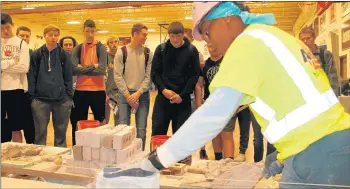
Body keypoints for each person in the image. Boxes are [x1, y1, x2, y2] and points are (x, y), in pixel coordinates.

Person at [125, 2, 350, 188]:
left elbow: (212, 116)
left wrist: (156, 161)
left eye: (207, 32)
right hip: (327, 146)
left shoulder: (247, 44)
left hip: (318, 156)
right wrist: (284, 155)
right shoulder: (269, 36)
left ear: (227, 19)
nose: (207, 41)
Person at [151, 21, 200, 137]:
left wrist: (182, 95)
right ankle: (156, 156)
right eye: (172, 36)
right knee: (157, 135)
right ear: (169, 35)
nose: (175, 40)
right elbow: (154, 73)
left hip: (182, 101)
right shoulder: (161, 49)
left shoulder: (192, 51)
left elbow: (194, 76)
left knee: (181, 138)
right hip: (163, 100)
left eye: (178, 36)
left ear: (183, 34)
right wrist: (163, 90)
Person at [28, 24, 73, 147]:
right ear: (44, 36)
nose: (53, 38)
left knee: (61, 135)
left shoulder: (65, 55)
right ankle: (39, 162)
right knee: (40, 135)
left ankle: (61, 158)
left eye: (56, 35)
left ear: (59, 37)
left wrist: (68, 97)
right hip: (40, 101)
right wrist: (32, 98)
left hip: (61, 101)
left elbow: (68, 77)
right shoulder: (36, 55)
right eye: (50, 35)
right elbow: (32, 76)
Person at [114, 24, 153, 150]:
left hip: (142, 95)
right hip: (124, 95)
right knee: (124, 129)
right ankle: (124, 156)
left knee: (141, 130)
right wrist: (127, 95)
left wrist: (137, 94)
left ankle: (140, 156)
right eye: (144, 34)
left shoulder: (148, 53)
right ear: (135, 34)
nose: (146, 37)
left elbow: (149, 77)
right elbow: (118, 76)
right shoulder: (121, 52)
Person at [71, 20, 107, 145]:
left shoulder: (101, 47)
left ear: (95, 31)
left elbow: (102, 70)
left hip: (98, 90)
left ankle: (99, 147)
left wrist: (83, 68)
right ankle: (78, 147)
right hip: (80, 91)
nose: (90, 34)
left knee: (100, 122)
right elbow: (73, 70)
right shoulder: (78, 48)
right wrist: (93, 66)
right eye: (87, 31)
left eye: (92, 31)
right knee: (79, 122)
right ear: (83, 31)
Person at [1, 13, 30, 143]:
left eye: (7, 27)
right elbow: (18, 65)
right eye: (1, 28)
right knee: (2, 128)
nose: (5, 31)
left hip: (16, 89)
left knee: (16, 128)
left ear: (12, 25)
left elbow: (24, 68)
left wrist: (2, 66)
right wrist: (13, 62)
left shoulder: (21, 44)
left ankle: (18, 156)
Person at [202, 49, 235, 160]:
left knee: (227, 134)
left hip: (226, 104)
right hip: (211, 104)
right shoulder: (206, 64)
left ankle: (229, 163)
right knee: (215, 133)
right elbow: (201, 84)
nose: (212, 48)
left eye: (214, 46)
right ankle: (218, 160)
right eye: (209, 46)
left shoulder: (227, 61)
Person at [183, 28, 208, 160]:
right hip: (182, 96)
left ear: (192, 39)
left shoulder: (198, 55)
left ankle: (203, 149)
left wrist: (199, 101)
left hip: (195, 96)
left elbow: (199, 81)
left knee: (199, 125)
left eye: (187, 39)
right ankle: (186, 153)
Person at [299, 26, 339, 96]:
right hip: (306, 95)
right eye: (302, 39)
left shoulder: (325, 54)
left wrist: (334, 99)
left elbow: (333, 78)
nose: (305, 41)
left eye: (308, 38)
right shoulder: (300, 56)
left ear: (314, 38)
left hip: (323, 95)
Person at [16, 25, 35, 144]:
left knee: (30, 124)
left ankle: (31, 148)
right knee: (14, 125)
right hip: (14, 91)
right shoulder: (9, 52)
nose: (24, 38)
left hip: (30, 93)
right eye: (21, 35)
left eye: (27, 36)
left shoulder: (33, 54)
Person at [58, 36, 78, 144]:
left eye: (70, 44)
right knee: (61, 126)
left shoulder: (79, 60)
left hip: (77, 96)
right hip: (63, 98)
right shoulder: (57, 59)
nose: (68, 47)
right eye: (66, 45)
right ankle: (61, 148)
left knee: (76, 124)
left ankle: (76, 148)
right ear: (61, 46)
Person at [104, 35, 120, 126]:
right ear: (108, 44)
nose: (114, 44)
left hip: (118, 92)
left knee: (118, 119)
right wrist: (104, 92)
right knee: (105, 120)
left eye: (115, 42)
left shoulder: (121, 56)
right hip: (106, 92)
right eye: (111, 42)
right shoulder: (104, 57)